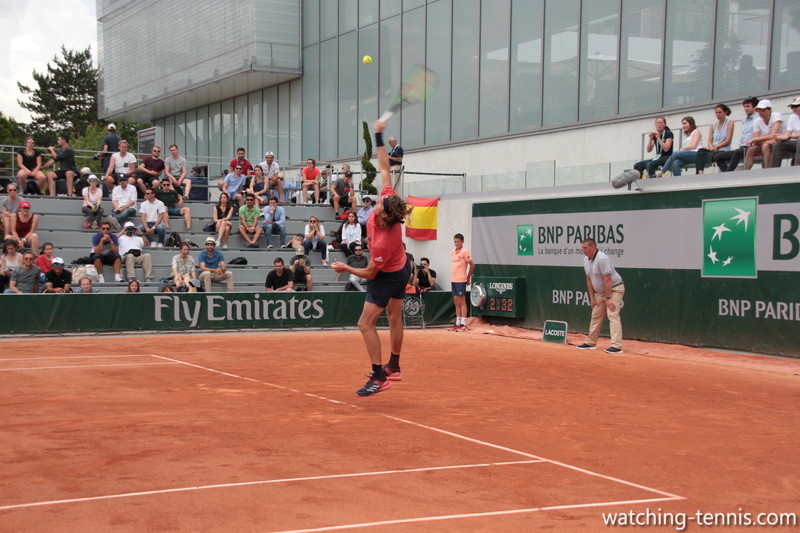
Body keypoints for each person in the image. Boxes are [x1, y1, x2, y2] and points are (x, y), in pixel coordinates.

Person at [331, 119, 413, 397]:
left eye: (378, 202)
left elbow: (369, 273)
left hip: (388, 275)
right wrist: (378, 136)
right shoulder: (390, 204)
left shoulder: (383, 241)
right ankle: (395, 366)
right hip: (402, 268)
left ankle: (380, 376)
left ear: (384, 213)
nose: (376, 199)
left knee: (365, 324)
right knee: (394, 317)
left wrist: (344, 266)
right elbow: (384, 166)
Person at [576, 238, 625, 354]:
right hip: (601, 292)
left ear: (593, 247)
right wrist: (592, 298)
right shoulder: (585, 260)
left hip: (614, 289)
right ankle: (590, 342)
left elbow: (607, 280)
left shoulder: (602, 258)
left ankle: (616, 346)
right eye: (582, 248)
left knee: (612, 314)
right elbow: (589, 279)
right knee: (596, 315)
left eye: (585, 248)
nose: (582, 250)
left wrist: (608, 299)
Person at [714, 96, 759, 172]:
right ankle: (729, 174)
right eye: (744, 107)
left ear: (755, 107)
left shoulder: (758, 118)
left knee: (737, 153)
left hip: (751, 147)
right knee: (718, 157)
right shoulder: (745, 120)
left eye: (748, 106)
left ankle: (728, 175)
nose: (745, 108)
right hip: (742, 148)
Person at [744, 99, 786, 170]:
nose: (760, 112)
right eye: (758, 109)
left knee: (765, 146)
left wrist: (756, 139)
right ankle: (745, 172)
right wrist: (763, 140)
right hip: (767, 142)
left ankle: (768, 170)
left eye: (762, 109)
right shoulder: (757, 121)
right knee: (751, 149)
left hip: (781, 141)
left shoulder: (776, 116)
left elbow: (773, 135)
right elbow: (757, 140)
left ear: (769, 110)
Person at [695, 104, 734, 173]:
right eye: (716, 113)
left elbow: (728, 140)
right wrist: (711, 147)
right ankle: (700, 173)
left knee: (717, 155)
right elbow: (709, 140)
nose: (718, 114)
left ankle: (728, 172)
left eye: (720, 112)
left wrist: (716, 147)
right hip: (714, 149)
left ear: (725, 112)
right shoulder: (713, 125)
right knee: (701, 151)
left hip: (723, 149)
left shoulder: (730, 123)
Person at [448, 233, 474, 331]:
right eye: (455, 241)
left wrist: (468, 278)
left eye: (458, 242)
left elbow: (472, 265)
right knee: (456, 300)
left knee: (461, 300)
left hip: (461, 279)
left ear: (462, 242)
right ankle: (457, 323)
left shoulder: (465, 251)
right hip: (453, 279)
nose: (456, 243)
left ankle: (464, 323)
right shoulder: (453, 252)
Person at [769, 97, 800, 167]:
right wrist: (780, 137)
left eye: (796, 106)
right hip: (797, 143)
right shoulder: (792, 117)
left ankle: (797, 166)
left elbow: (789, 136)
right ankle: (773, 169)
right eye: (792, 107)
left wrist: (788, 136)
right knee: (778, 144)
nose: (793, 109)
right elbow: (788, 132)